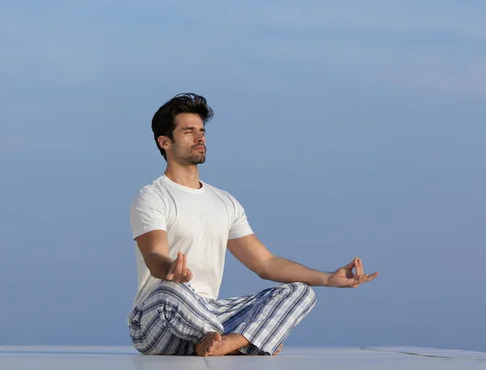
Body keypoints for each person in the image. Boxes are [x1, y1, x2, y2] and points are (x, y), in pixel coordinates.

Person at [127, 93, 378, 357]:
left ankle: (226, 344)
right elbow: (154, 255)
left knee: (300, 292)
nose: (200, 138)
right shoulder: (152, 196)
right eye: (188, 132)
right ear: (164, 141)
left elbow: (265, 263)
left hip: (209, 314)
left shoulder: (224, 202)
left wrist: (328, 278)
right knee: (170, 292)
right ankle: (246, 342)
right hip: (159, 320)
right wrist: (171, 270)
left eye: (201, 131)